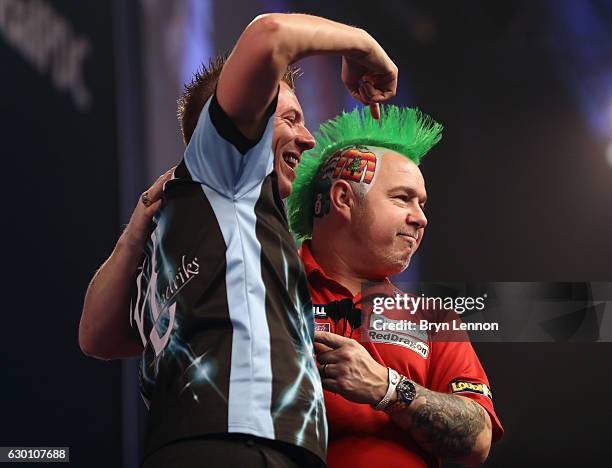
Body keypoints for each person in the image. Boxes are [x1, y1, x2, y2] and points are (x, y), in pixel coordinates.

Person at [78, 13, 398, 468]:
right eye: (290, 118)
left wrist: (134, 236)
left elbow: (95, 338)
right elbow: (270, 34)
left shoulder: (181, 236)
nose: (308, 139)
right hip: (245, 448)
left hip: (188, 449)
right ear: (239, 127)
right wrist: (362, 45)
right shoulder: (232, 167)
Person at [286, 105, 503, 467]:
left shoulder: (434, 320)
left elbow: (478, 440)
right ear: (343, 198)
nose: (421, 218)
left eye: (422, 203)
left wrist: (387, 388)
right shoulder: (268, 289)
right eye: (403, 197)